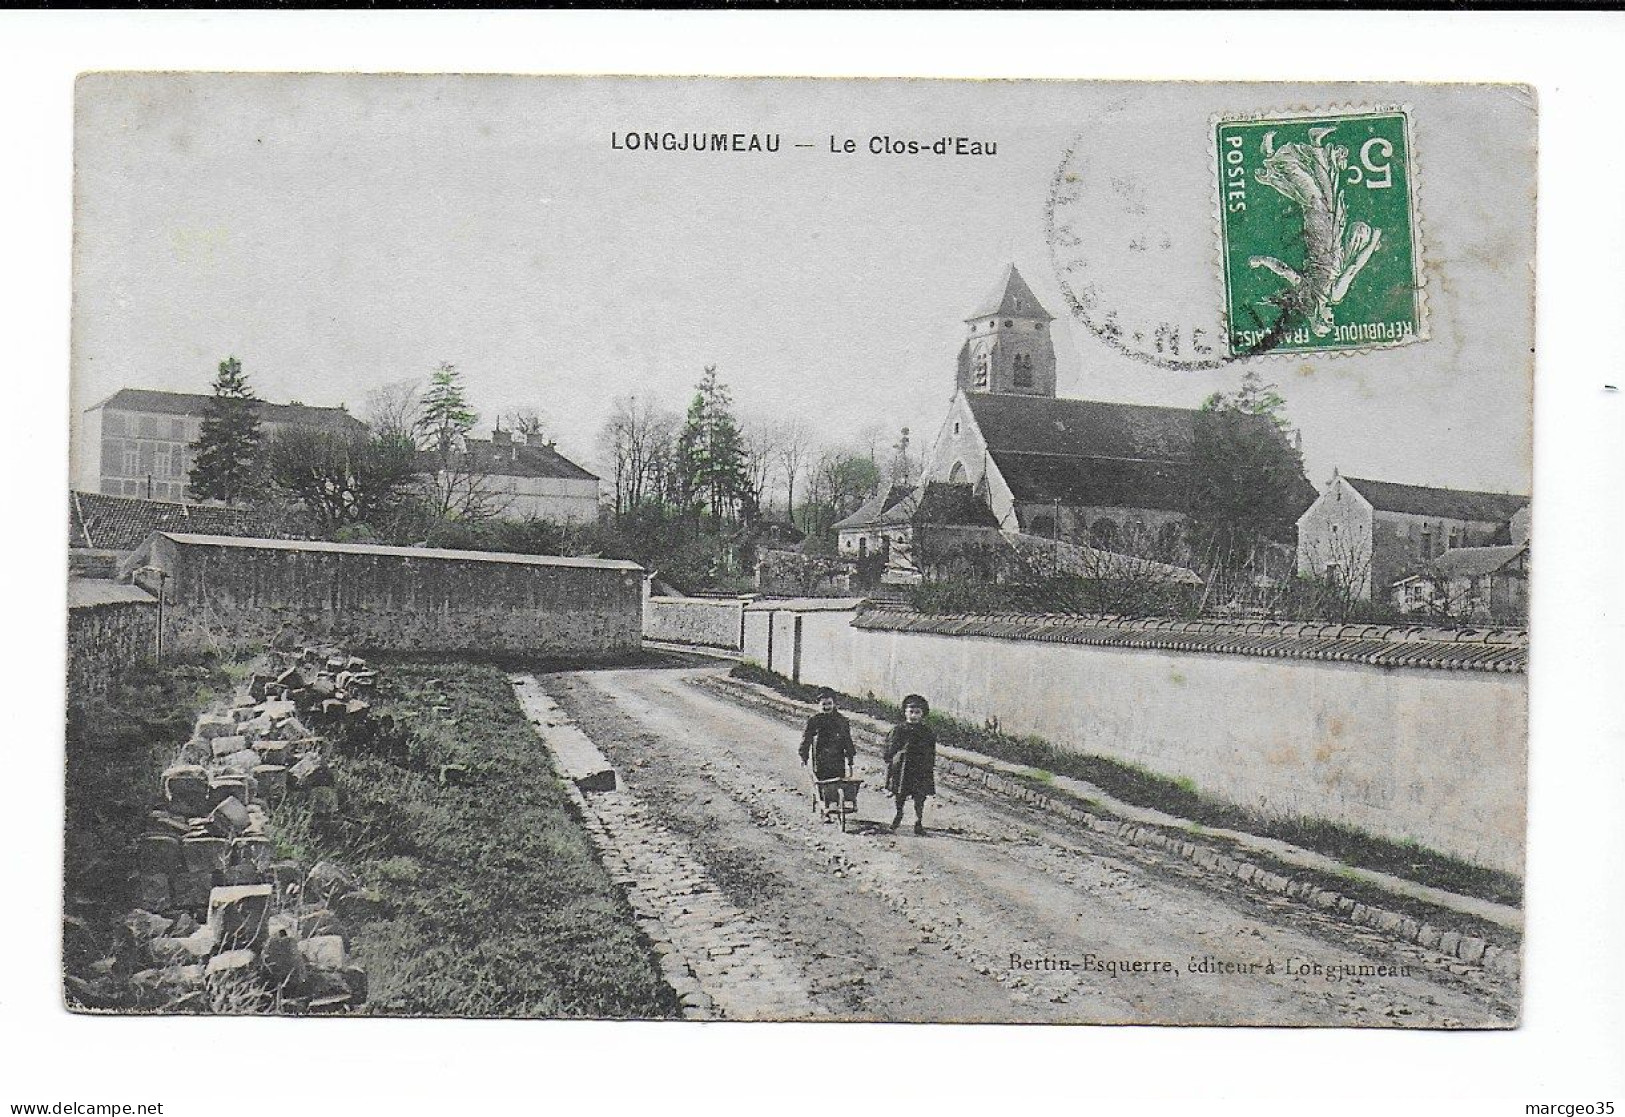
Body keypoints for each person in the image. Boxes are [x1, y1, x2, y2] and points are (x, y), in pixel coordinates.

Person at [884, 694, 937, 834]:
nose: (913, 715)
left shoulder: (926, 732)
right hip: (903, 768)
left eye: (917, 712)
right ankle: (898, 814)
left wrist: (929, 766)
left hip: (920, 768)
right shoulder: (898, 730)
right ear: (905, 712)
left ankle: (918, 821)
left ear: (922, 714)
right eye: (911, 712)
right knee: (900, 794)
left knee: (920, 796)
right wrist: (891, 761)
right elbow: (890, 748)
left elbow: (931, 751)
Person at [799, 688, 855, 812]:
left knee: (837, 782)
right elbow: (807, 738)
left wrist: (850, 757)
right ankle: (824, 807)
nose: (827, 707)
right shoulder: (815, 720)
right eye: (823, 704)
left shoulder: (841, 721)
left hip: (837, 759)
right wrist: (804, 755)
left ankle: (835, 803)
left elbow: (847, 740)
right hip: (821, 758)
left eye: (829, 703)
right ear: (819, 704)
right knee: (822, 783)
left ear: (834, 704)